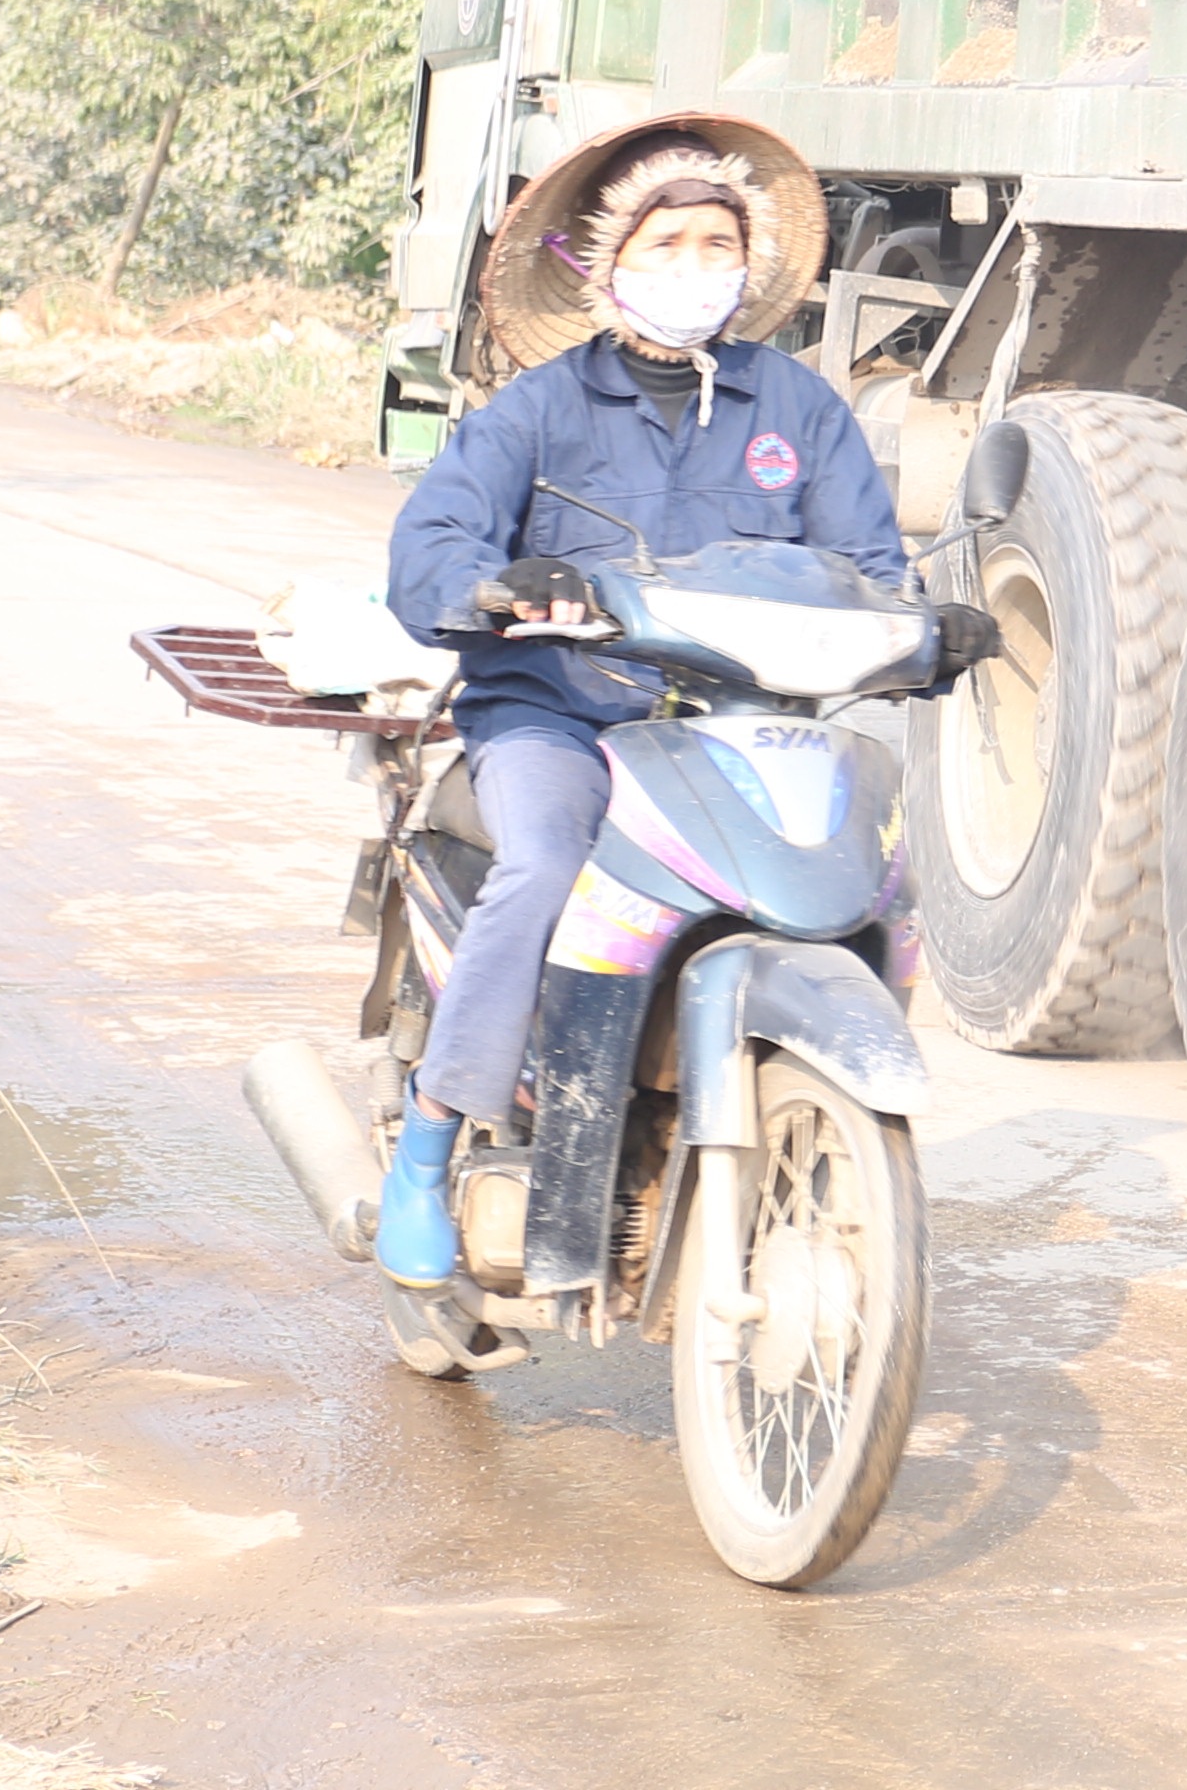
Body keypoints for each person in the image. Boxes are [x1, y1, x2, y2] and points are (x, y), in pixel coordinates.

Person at [369, 132, 902, 1285]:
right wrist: (497, 585)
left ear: (749, 265)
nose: (695, 264)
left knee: (857, 863)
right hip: (559, 719)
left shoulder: (800, 410)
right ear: (607, 263)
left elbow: (869, 561)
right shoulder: (536, 412)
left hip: (730, 723)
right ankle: (429, 1140)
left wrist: (929, 623)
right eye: (667, 242)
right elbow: (428, 554)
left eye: (719, 243)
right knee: (548, 860)